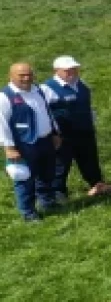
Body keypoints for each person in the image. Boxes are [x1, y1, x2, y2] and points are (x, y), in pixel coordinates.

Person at [41, 56, 107, 201]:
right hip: (64, 135)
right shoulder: (47, 89)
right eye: (67, 70)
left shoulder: (81, 83)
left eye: (74, 69)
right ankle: (58, 192)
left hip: (85, 131)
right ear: (56, 71)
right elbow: (44, 113)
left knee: (90, 159)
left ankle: (98, 185)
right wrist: (53, 133)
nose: (72, 72)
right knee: (61, 164)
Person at [2, 63, 61, 222]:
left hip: (45, 140)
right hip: (24, 144)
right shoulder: (5, 97)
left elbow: (47, 113)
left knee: (47, 174)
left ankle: (47, 202)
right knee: (25, 179)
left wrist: (54, 132)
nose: (26, 78)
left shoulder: (37, 90)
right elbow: (2, 125)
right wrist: (9, 148)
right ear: (11, 76)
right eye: (22, 75)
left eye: (29, 74)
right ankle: (28, 212)